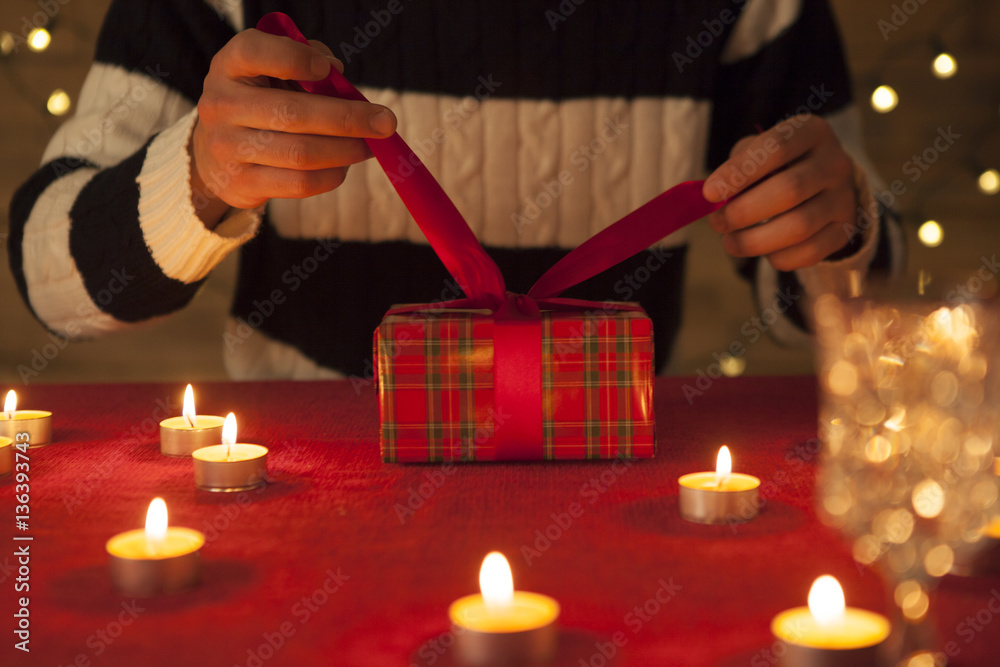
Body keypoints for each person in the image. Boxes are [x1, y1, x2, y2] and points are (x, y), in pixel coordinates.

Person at [8, 0, 902, 381]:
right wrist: (197, 177)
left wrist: (839, 225)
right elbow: (51, 279)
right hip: (305, 504)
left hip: (609, 489)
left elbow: (827, 305)